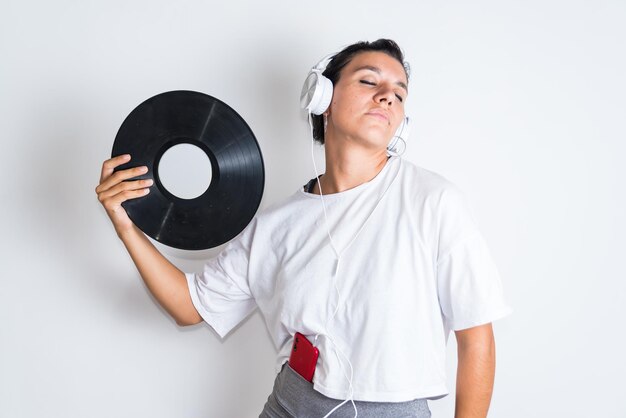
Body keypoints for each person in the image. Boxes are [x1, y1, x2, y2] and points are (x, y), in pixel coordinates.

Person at [96, 39, 512, 418]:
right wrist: (125, 225)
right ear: (323, 98)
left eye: (399, 93)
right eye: (369, 81)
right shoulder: (278, 224)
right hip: (291, 405)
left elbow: (476, 337)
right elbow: (190, 307)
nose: (387, 96)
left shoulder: (433, 200)